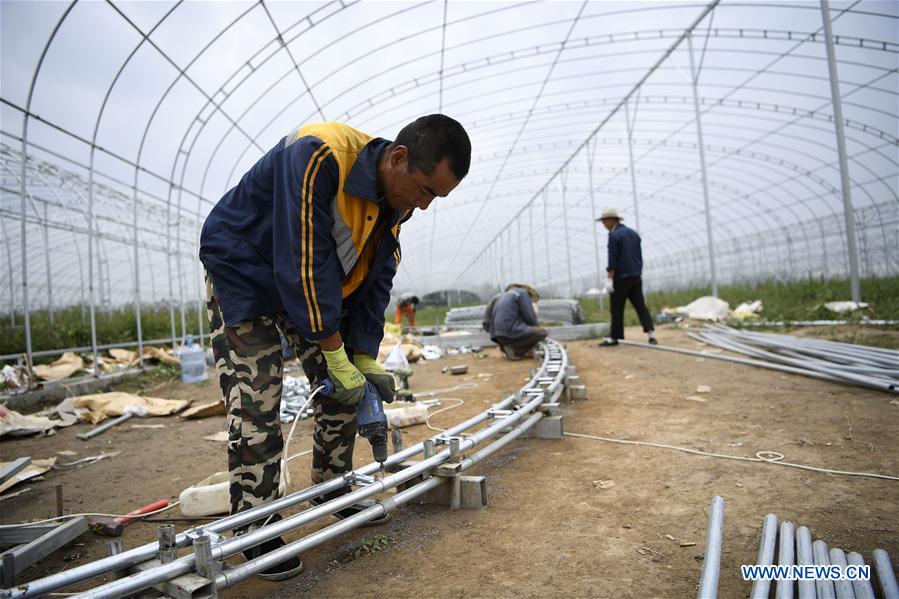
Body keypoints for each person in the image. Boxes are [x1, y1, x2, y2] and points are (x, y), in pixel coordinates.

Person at [200, 115, 471, 579]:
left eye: (436, 198)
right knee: (257, 401)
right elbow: (302, 256)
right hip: (244, 270)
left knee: (346, 384)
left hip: (305, 285)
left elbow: (376, 278)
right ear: (399, 158)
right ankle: (253, 526)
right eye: (426, 190)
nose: (424, 206)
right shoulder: (319, 154)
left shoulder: (396, 204)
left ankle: (332, 486)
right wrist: (331, 346)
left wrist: (360, 354)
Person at [596, 208, 656, 347]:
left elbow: (613, 258)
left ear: (612, 220)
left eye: (605, 221)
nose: (604, 225)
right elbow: (637, 255)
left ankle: (616, 337)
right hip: (635, 277)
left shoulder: (614, 235)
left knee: (616, 308)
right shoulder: (634, 234)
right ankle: (651, 334)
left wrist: (610, 278)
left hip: (621, 278)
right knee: (640, 306)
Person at [484, 284, 547, 360]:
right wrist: (536, 327)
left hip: (497, 335)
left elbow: (487, 318)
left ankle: (504, 348)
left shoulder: (502, 295)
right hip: (508, 332)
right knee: (542, 333)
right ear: (530, 294)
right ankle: (516, 351)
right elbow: (529, 316)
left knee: (523, 331)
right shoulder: (523, 293)